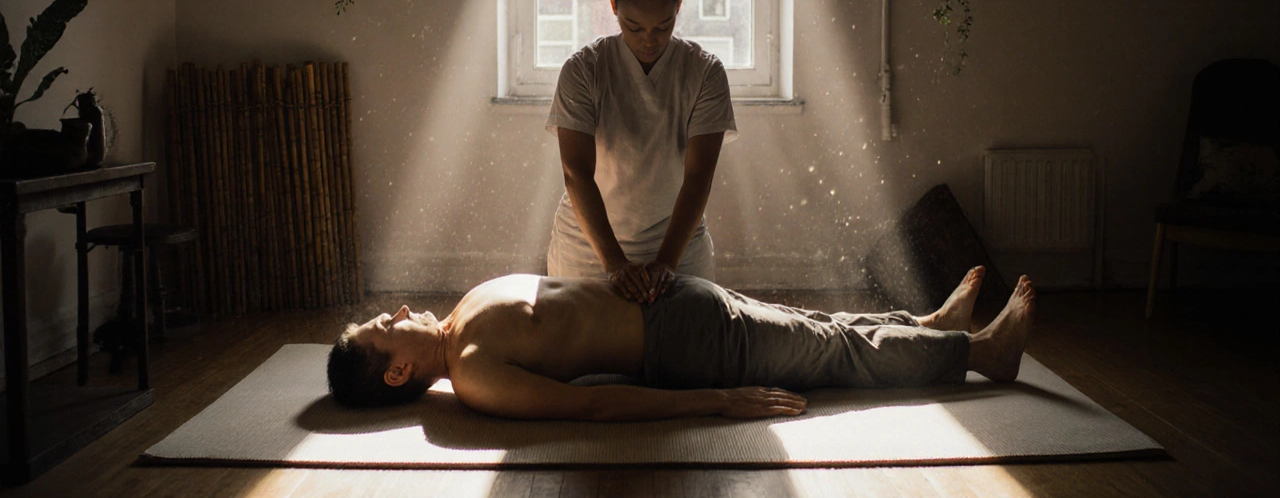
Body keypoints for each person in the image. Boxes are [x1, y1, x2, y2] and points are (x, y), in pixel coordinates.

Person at [327, 267, 1036, 421]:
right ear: (397, 374)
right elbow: (595, 409)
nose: (394, 313)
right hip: (691, 348)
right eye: (384, 330)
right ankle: (980, 355)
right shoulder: (478, 374)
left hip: (678, 300)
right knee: (833, 356)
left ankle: (926, 328)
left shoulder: (461, 314)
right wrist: (720, 400)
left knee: (816, 327)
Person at [545, 0, 736, 304]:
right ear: (613, 7)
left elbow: (698, 177)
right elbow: (576, 173)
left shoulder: (705, 73)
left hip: (679, 249)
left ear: (679, 5)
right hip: (588, 249)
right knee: (585, 360)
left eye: (663, 26)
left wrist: (666, 262)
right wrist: (614, 263)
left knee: (686, 357)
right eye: (634, 27)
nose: (649, 39)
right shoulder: (584, 70)